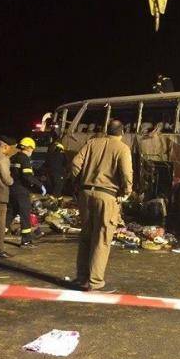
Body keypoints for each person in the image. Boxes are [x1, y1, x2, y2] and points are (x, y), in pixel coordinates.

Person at [71, 119, 133, 291]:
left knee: (86, 236)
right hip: (107, 196)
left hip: (85, 194)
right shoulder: (122, 148)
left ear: (107, 130)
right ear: (122, 132)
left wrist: (78, 182)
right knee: (102, 238)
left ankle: (82, 278)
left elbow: (75, 163)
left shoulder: (92, 143)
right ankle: (95, 282)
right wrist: (126, 191)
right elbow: (126, 173)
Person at [6, 137, 46, 248]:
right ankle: (26, 241)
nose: (32, 151)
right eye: (32, 149)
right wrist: (39, 185)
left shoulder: (13, 158)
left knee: (10, 214)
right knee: (25, 215)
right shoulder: (24, 159)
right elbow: (27, 176)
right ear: (28, 148)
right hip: (22, 191)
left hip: (11, 189)